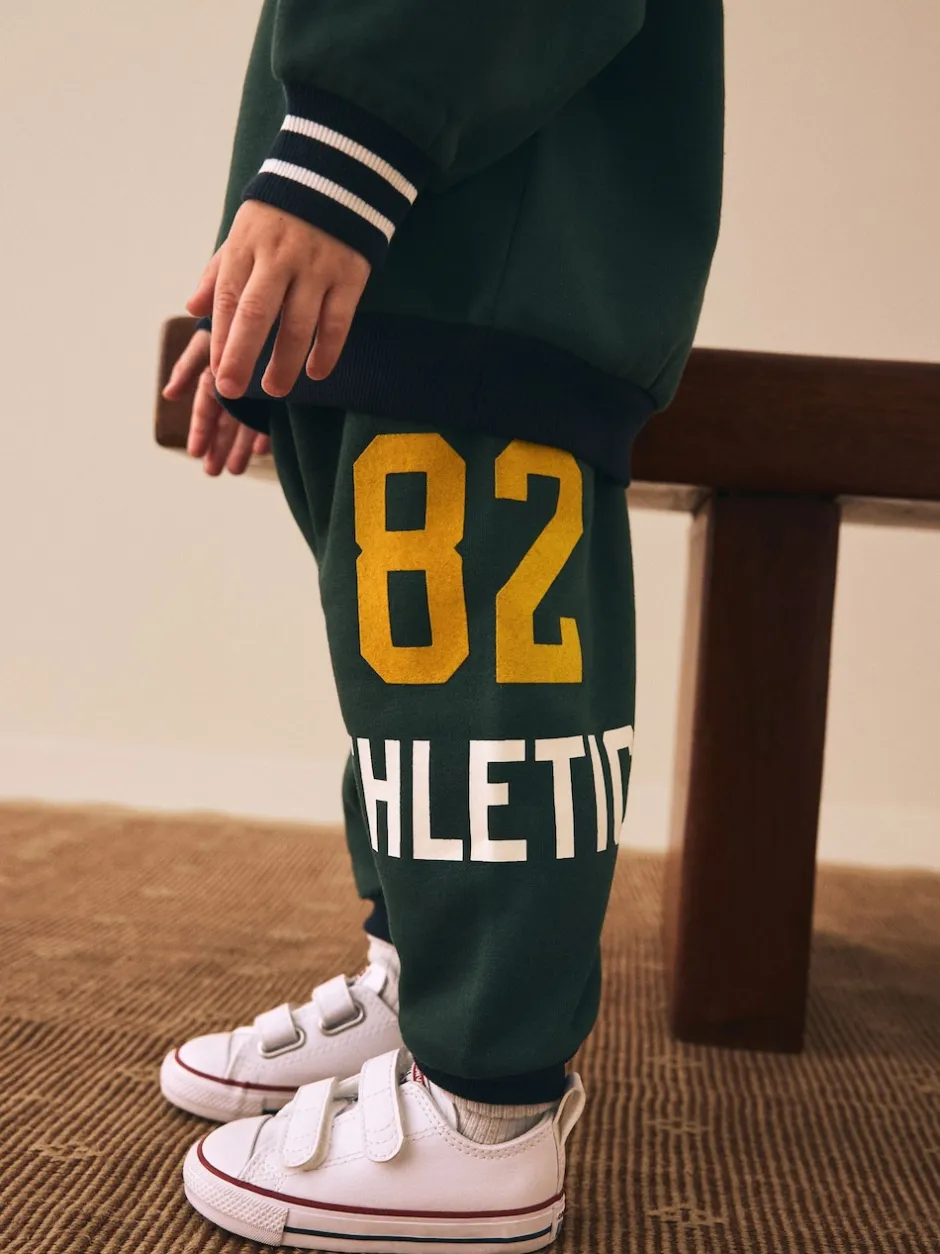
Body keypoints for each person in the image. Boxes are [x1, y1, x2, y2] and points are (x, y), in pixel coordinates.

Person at [160, 0, 724, 1248]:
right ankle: (424, 981)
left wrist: (347, 149)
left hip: (488, 237)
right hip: (416, 242)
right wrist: (263, 270)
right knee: (405, 675)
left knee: (481, 683)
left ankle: (485, 1104)